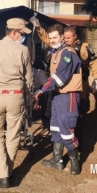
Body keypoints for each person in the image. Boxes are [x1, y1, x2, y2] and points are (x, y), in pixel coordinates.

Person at [30, 16, 97, 144]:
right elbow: (48, 39)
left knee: (79, 111)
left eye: (69, 38)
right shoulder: (60, 50)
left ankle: (77, 139)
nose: (66, 39)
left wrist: (96, 78)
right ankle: (62, 145)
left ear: (75, 37)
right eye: (65, 37)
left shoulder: (83, 47)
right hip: (62, 85)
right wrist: (39, 27)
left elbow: (94, 62)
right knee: (60, 116)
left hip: (79, 84)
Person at [0, 18, 33, 188]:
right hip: (16, 96)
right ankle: (8, 172)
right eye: (21, 33)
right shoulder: (24, 50)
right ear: (13, 32)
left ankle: (2, 174)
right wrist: (27, 98)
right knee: (13, 134)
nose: (22, 37)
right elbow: (29, 80)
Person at [33, 24, 82, 175]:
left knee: (67, 129)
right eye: (51, 38)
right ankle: (57, 159)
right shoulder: (55, 52)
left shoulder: (68, 53)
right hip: (56, 95)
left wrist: (41, 90)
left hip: (68, 96)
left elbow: (60, 77)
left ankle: (75, 160)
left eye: (55, 37)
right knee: (55, 127)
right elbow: (49, 70)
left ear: (62, 37)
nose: (53, 40)